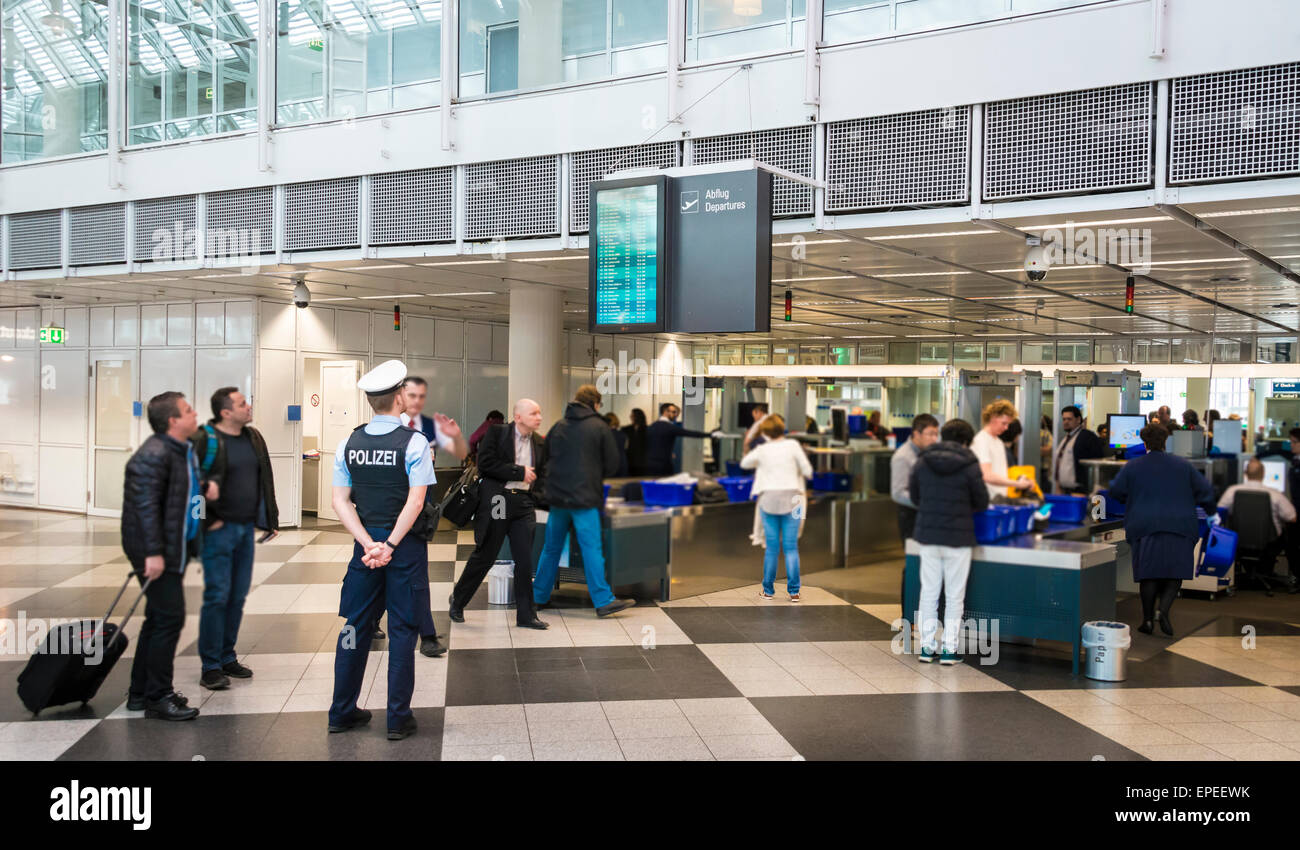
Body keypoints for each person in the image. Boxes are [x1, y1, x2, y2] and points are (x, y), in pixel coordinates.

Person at [328, 360, 435, 741]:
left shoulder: (348, 443)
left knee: (355, 626)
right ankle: (397, 718)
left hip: (365, 547)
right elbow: (416, 502)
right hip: (402, 548)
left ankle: (341, 712)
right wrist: (389, 545)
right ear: (397, 399)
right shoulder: (414, 442)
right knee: (403, 629)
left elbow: (340, 501)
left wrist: (367, 544)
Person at [122, 391, 208, 720]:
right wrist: (153, 554)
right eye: (188, 410)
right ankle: (159, 696)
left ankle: (141, 692)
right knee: (169, 620)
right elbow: (145, 510)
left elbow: (181, 498)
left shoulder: (179, 450)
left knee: (158, 619)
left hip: (173, 547)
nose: (194, 413)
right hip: (156, 552)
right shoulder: (153, 455)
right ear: (173, 421)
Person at [192, 386, 280, 691]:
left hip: (244, 530)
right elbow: (190, 487)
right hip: (218, 532)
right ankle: (211, 666)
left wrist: (270, 518)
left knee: (238, 596)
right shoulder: (204, 440)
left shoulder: (252, 437)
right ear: (226, 412)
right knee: (217, 596)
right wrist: (207, 523)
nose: (249, 406)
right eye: (243, 404)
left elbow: (264, 477)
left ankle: (227, 656)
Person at [533, 385, 636, 617]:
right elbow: (612, 464)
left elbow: (544, 459)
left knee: (551, 548)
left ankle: (538, 596)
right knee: (591, 549)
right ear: (595, 404)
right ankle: (602, 600)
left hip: (558, 499)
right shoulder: (599, 427)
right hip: (584, 499)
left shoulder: (558, 426)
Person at [1108, 423, 1217, 636]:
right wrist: (1212, 513)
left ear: (1144, 442)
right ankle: (1163, 610)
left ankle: (1147, 620)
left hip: (1145, 525)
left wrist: (1131, 499)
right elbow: (1205, 492)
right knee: (1175, 573)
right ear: (1166, 441)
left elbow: (1115, 491)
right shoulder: (1183, 465)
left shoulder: (1133, 465)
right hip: (1180, 524)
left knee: (1148, 574)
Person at [449, 399, 549, 628]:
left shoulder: (540, 443)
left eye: (540, 413)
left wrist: (539, 496)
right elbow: (485, 464)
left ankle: (526, 615)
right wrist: (518, 471)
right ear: (519, 416)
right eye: (534, 413)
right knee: (487, 554)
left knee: (524, 560)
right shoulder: (497, 433)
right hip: (499, 500)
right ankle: (458, 600)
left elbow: (542, 475)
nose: (539, 417)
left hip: (523, 504)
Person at [392, 376, 466, 656]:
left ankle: (427, 636)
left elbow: (460, 452)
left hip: (418, 511)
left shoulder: (428, 427)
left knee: (417, 577)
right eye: (412, 395)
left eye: (422, 396)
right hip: (393, 508)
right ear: (399, 397)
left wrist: (455, 435)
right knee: (381, 573)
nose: (417, 401)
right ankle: (372, 620)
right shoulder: (389, 428)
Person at [908, 418, 989, 665]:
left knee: (929, 592)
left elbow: (914, 496)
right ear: (966, 440)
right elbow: (982, 501)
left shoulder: (923, 460)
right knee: (955, 596)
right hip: (958, 537)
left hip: (929, 536)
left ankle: (926, 647)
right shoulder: (970, 464)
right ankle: (949, 650)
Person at [740, 414, 813, 601]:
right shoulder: (793, 446)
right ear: (782, 429)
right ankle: (794, 591)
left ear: (765, 432)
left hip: (769, 500)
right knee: (791, 547)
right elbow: (808, 471)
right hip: (795, 499)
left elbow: (744, 463)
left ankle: (768, 590)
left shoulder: (763, 449)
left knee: (772, 548)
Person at [1219, 458, 1297, 581]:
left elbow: (1220, 513)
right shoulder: (1275, 494)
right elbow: (1292, 518)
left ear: (1245, 474)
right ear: (1263, 474)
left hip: (1239, 542)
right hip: (1269, 543)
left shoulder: (1232, 491)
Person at [890, 413, 940, 541]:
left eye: (936, 434)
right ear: (917, 434)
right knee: (914, 559)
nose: (934, 439)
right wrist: (926, 503)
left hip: (927, 515)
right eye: (930, 434)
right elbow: (898, 493)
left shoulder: (929, 453)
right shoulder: (903, 457)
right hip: (911, 517)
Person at [970, 400, 1032, 500]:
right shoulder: (981, 441)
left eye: (1008, 424)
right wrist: (1017, 484)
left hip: (1000, 498)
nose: (1006, 428)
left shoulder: (998, 442)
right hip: (987, 500)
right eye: (1004, 423)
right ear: (993, 417)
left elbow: (1003, 472)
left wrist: (1022, 479)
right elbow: (987, 475)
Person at [646, 402, 711, 477]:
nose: (675, 415)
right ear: (665, 412)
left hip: (650, 464)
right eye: (673, 412)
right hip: (664, 464)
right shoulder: (670, 427)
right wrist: (710, 435)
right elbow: (689, 433)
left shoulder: (652, 426)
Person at [1053, 405, 1105, 496]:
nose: (1066, 422)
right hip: (1064, 490)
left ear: (1078, 420)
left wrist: (1088, 490)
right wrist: (1058, 485)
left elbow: (1097, 462)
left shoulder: (1087, 437)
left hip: (1080, 491)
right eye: (1064, 419)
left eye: (1069, 419)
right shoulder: (1067, 438)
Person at [622, 408, 649, 476]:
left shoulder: (647, 429)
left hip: (643, 461)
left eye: (632, 415)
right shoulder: (626, 429)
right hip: (630, 460)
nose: (630, 417)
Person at [604, 412, 629, 477]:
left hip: (610, 464)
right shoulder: (623, 435)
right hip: (623, 463)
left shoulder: (605, 435)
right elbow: (626, 448)